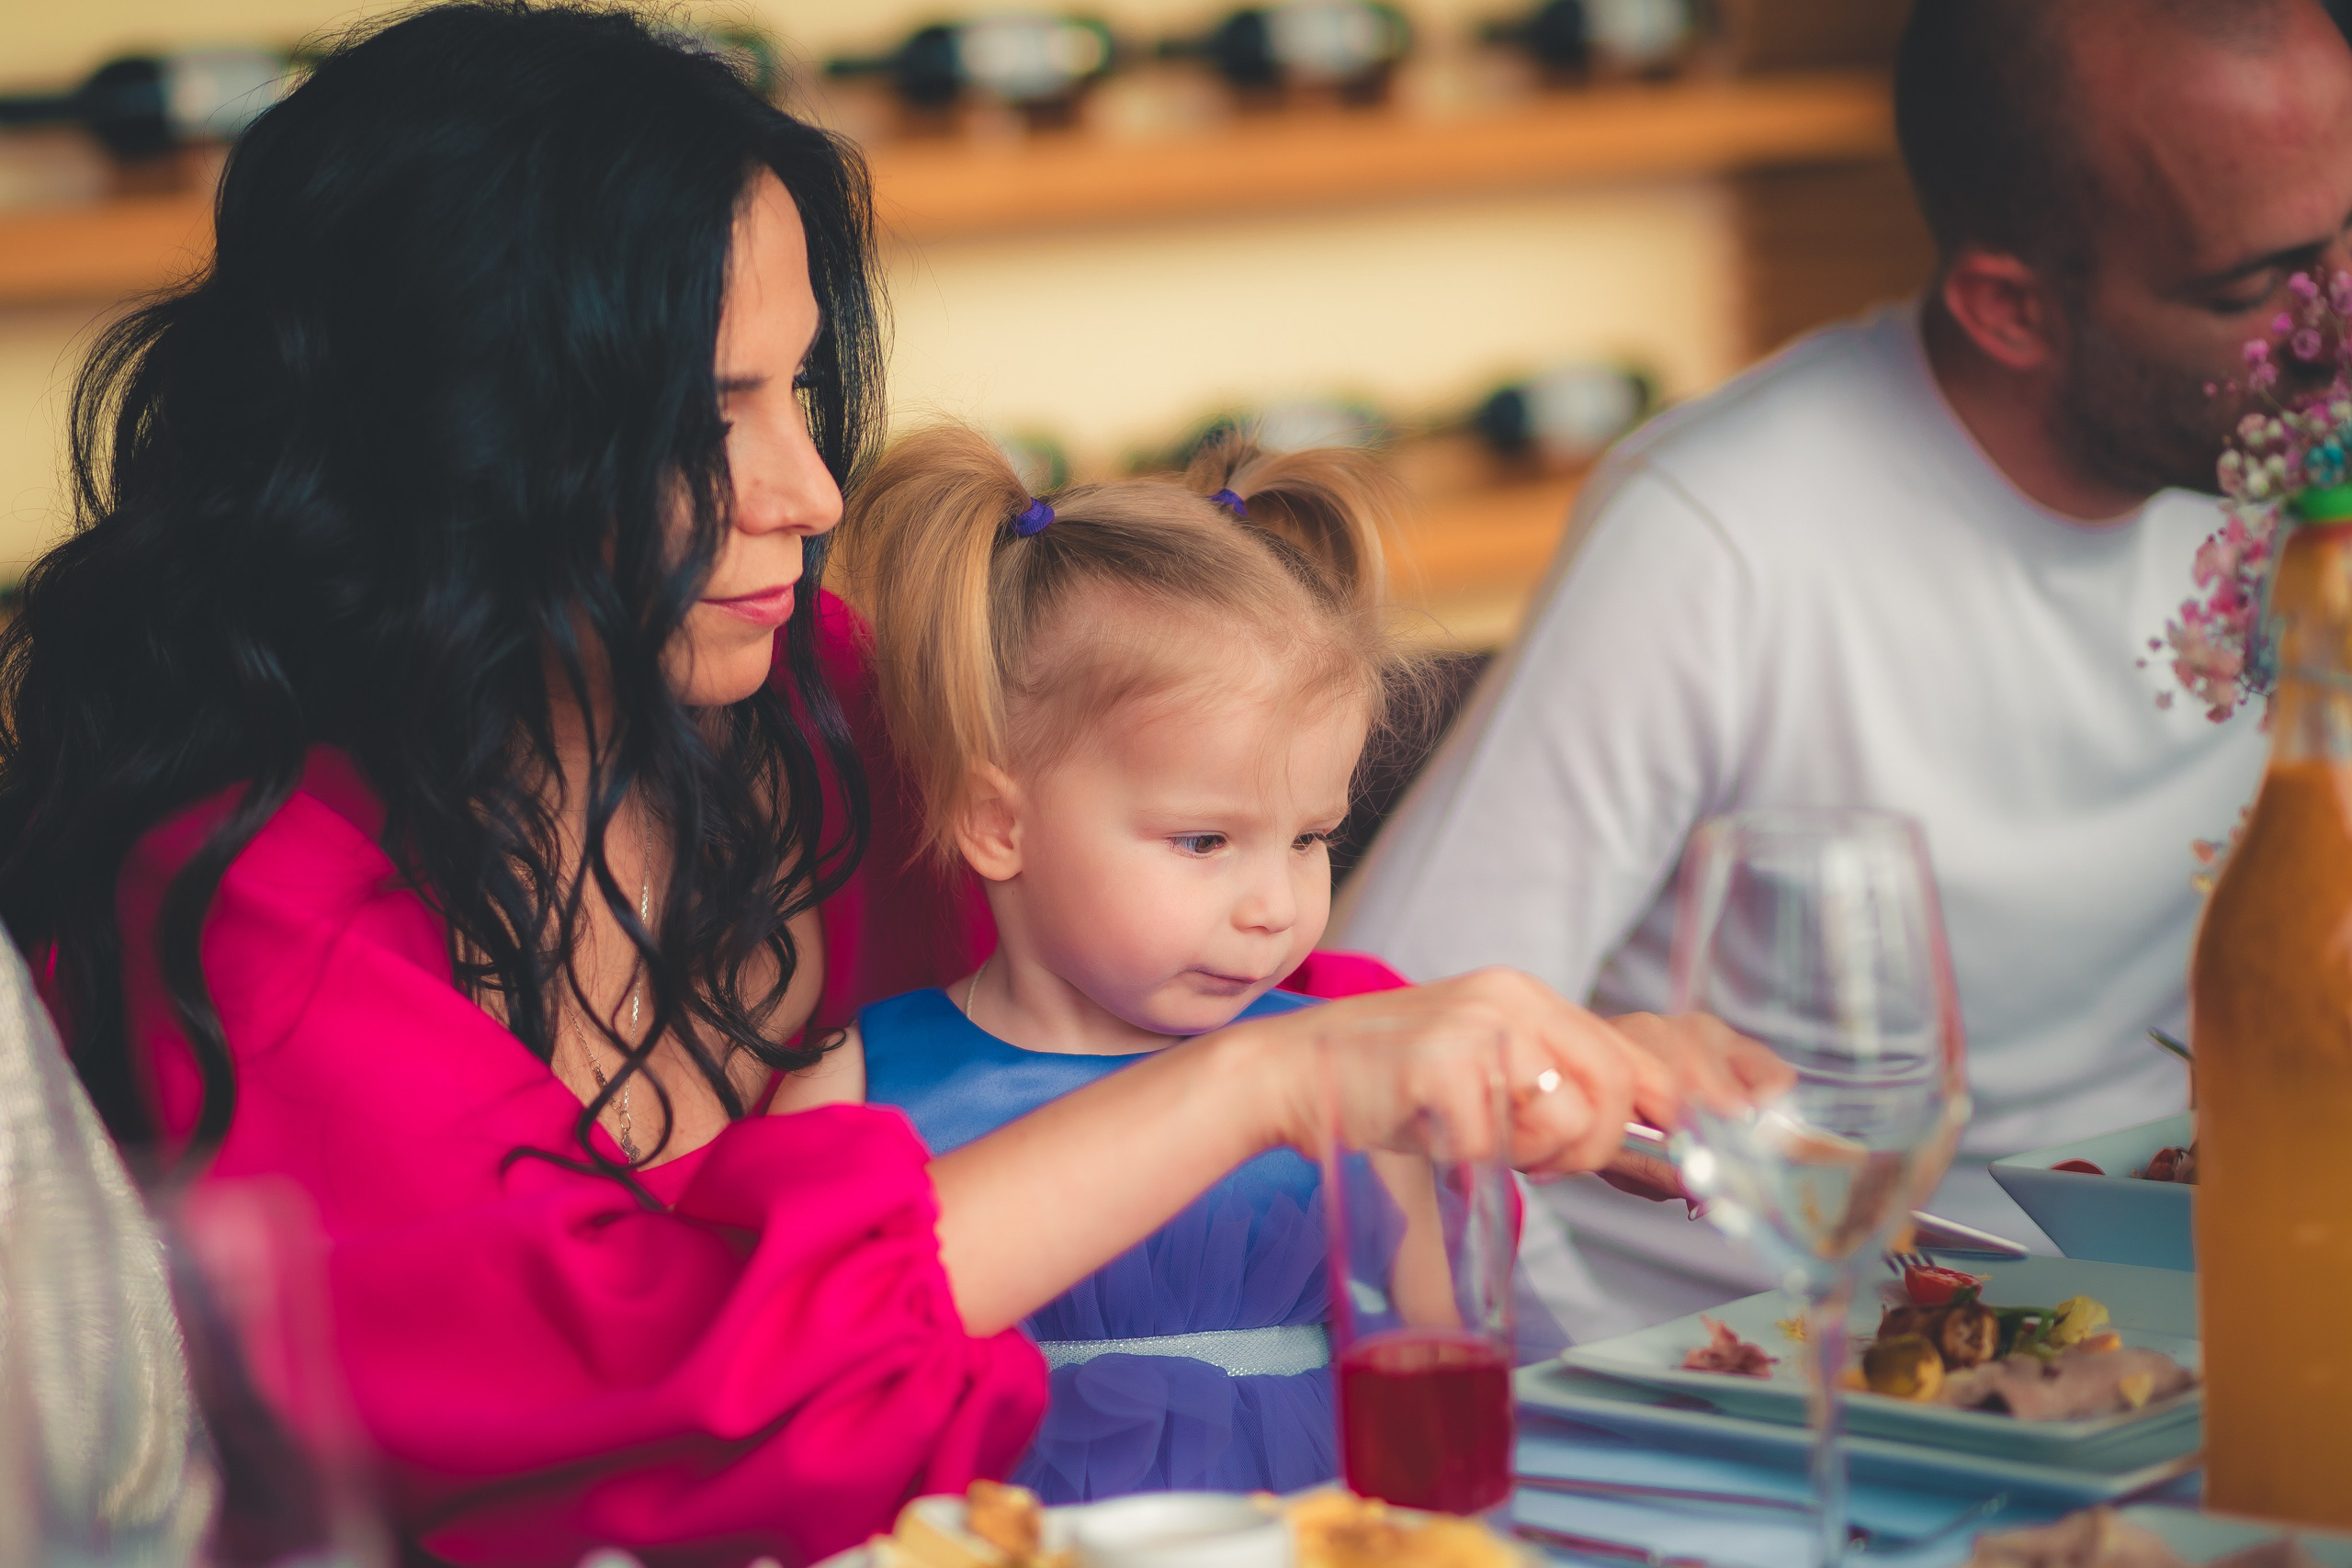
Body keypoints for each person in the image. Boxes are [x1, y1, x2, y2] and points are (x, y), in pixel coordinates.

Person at [0, 6, 1747, 1560]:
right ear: (454, 446)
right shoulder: (240, 891)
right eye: (708, 419)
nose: (813, 491)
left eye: (801, 392)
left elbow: (1130, 970)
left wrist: (1489, 1062)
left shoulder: (820, 706)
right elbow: (642, 1403)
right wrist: (1272, 1083)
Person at [1338, 0, 2352, 1337]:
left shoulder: (2289, 484)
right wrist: (1603, 1398)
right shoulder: (1718, 534)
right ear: (2010, 309)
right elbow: (1382, 1052)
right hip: (1784, 1364)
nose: (2337, 317)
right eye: (2255, 290)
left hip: (2188, 1321)